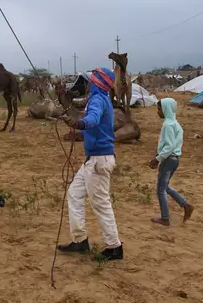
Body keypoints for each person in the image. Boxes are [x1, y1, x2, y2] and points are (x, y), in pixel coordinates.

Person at [58, 67, 123, 261]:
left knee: (101, 204)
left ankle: (114, 247)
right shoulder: (103, 100)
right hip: (94, 160)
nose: (89, 84)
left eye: (91, 80)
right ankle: (80, 240)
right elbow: (96, 126)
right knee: (74, 194)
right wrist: (78, 130)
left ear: (96, 83)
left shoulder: (96, 100)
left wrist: (78, 124)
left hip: (98, 161)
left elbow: (92, 120)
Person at [149, 98, 194, 226]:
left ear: (165, 109)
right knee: (165, 187)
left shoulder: (168, 125)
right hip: (174, 160)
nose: (158, 112)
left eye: (159, 109)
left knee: (160, 189)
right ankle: (186, 205)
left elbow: (169, 147)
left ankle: (165, 218)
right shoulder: (176, 124)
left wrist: (157, 159)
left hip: (168, 159)